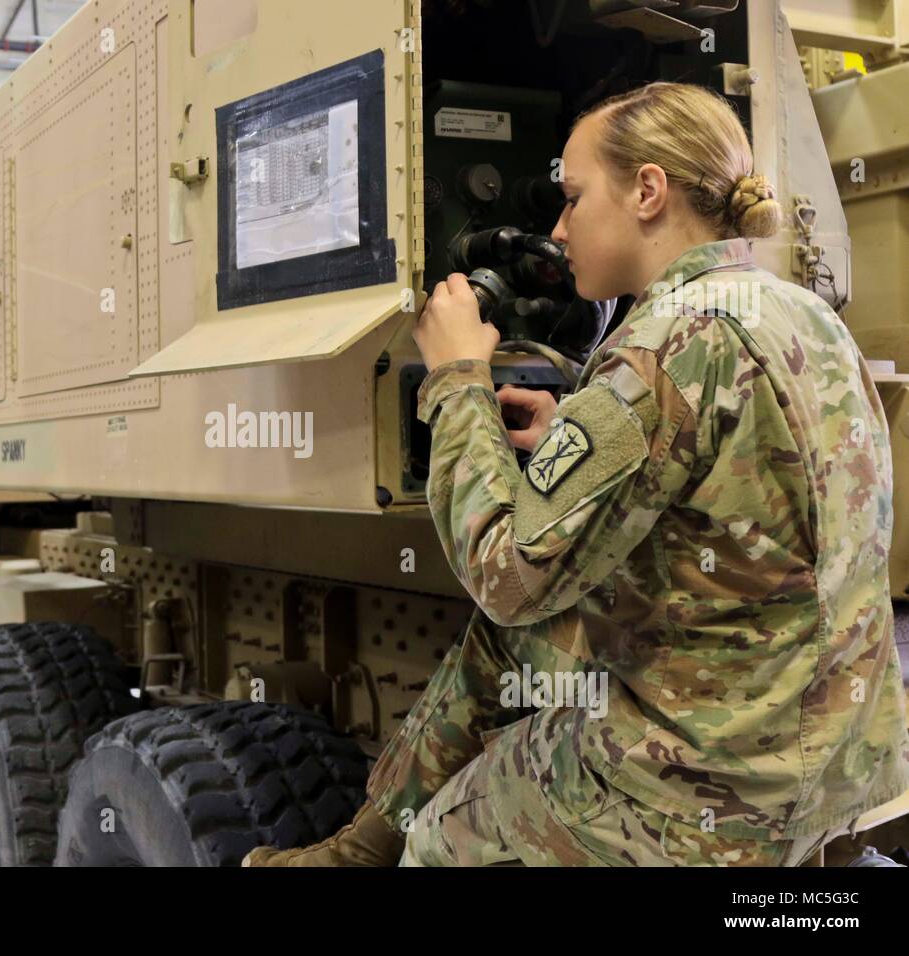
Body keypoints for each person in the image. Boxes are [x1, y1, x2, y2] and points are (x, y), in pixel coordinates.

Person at [244, 81, 909, 867]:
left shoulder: (664, 344)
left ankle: (395, 846)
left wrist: (457, 377)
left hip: (706, 792)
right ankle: (358, 847)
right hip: (840, 756)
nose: (559, 228)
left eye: (573, 196)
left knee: (442, 836)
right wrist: (578, 436)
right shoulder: (802, 313)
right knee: (506, 643)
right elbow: (747, 481)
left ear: (648, 191)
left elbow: (505, 572)